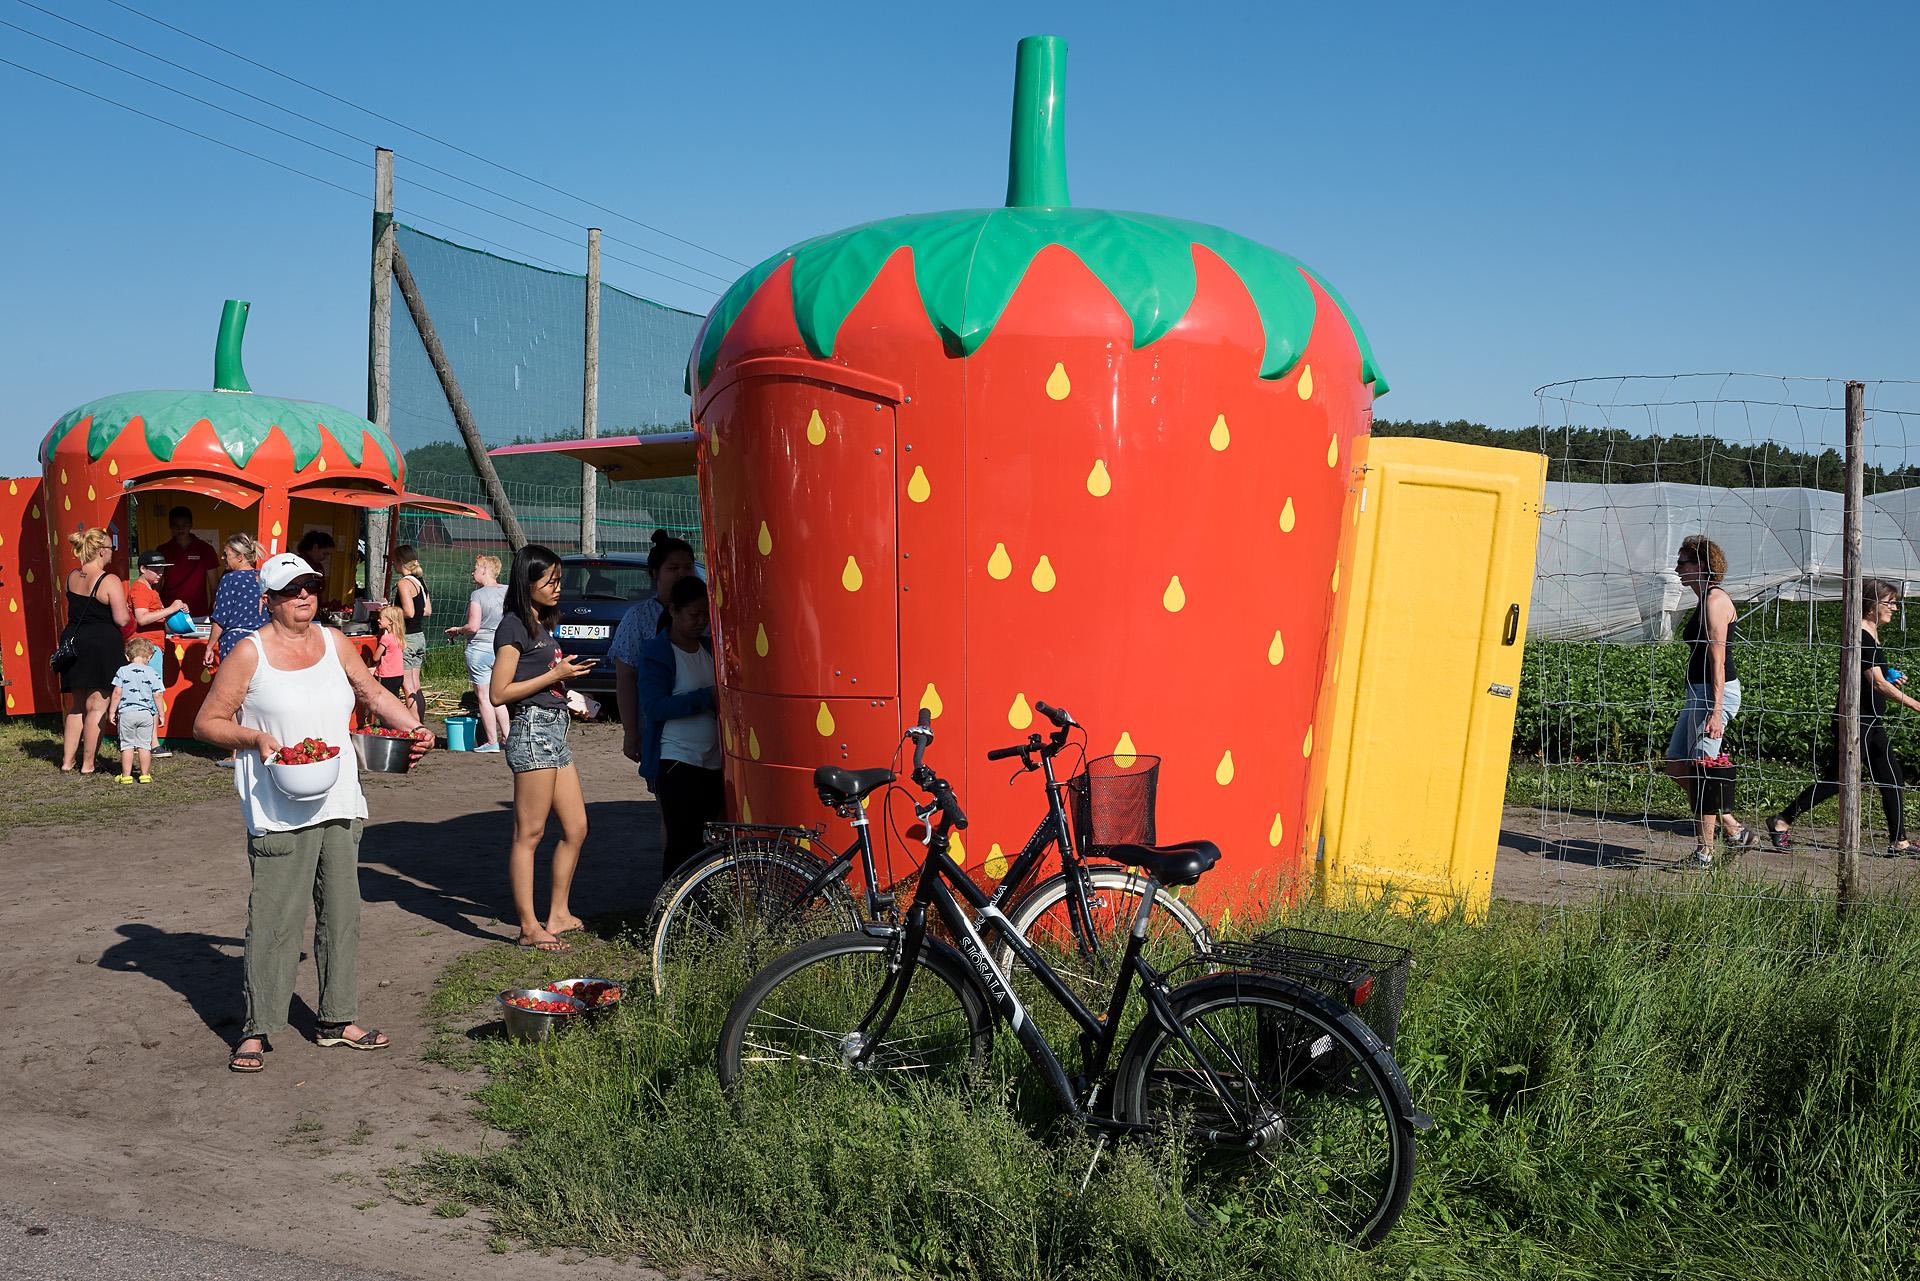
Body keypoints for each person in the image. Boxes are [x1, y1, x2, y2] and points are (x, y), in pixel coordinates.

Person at [193, 552, 432, 1073]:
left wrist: (413, 726)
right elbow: (207, 721)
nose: (304, 596)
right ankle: (257, 1028)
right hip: (278, 805)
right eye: (291, 589)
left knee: (342, 915)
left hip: (340, 796)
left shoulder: (334, 641)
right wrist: (253, 738)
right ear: (269, 600)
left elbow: (370, 691)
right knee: (275, 919)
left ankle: (335, 1019)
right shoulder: (248, 653)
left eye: (310, 587)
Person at [1768, 579, 1920, 856]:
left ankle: (1899, 841)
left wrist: (1890, 674)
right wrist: (1915, 704)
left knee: (1892, 777)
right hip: (1854, 720)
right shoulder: (1861, 635)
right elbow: (1875, 684)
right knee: (1837, 780)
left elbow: (1873, 675)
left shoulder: (1871, 631)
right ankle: (1781, 820)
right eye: (1890, 603)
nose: (1895, 608)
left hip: (1871, 719)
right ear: (1872, 605)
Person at [492, 544, 595, 953]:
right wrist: (556, 673)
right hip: (532, 732)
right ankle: (529, 926)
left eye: (558, 580)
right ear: (527, 581)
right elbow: (500, 692)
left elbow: (541, 681)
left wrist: (568, 692)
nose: (557, 588)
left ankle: (558, 914)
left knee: (576, 828)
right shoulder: (513, 625)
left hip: (554, 730)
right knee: (529, 834)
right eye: (549, 580)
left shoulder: (540, 623)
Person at [1660, 534, 1754, 866]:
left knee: (1702, 771)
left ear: (1701, 565)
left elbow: (1718, 660)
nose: (1677, 569)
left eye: (1682, 562)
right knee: (1675, 763)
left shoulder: (1715, 601)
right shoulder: (1703, 600)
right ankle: (1732, 826)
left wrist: (1715, 711)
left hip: (1715, 694)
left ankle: (1705, 852)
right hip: (1698, 694)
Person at [639, 576, 722, 881]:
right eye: (693, 615)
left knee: (708, 844)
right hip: (676, 761)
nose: (700, 622)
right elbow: (655, 707)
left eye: (705, 615)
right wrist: (707, 698)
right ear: (673, 611)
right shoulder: (657, 652)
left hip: (712, 761)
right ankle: (669, 912)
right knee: (681, 844)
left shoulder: (710, 649)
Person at [613, 530, 698, 767]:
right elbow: (626, 678)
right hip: (659, 730)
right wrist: (631, 732)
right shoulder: (638, 618)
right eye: (673, 568)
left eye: (688, 567)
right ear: (655, 574)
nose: (682, 574)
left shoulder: (711, 615)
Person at [60, 528, 132, 775]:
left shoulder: (71, 576)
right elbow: (122, 620)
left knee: (77, 706)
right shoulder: (109, 580)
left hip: (73, 640)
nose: (112, 553)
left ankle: (67, 761)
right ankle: (89, 764)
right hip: (101, 644)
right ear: (101, 551)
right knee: (98, 707)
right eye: (110, 549)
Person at [444, 553, 509, 753]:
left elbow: (473, 626)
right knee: (499, 695)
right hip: (502, 648)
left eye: (475, 568)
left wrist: (457, 630)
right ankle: (508, 736)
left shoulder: (478, 595)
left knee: (484, 696)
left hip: (480, 649)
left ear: (485, 570)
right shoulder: (508, 591)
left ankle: (491, 741)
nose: (472, 572)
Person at [205, 533, 269, 668]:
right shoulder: (263, 577)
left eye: (226, 554)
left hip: (236, 643)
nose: (222, 558)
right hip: (263, 642)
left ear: (240, 557)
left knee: (234, 686)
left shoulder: (230, 579)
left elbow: (221, 616)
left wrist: (210, 646)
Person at [108, 637, 165, 784]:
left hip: (126, 714)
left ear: (127, 656)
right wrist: (161, 715)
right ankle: (145, 775)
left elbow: (116, 693)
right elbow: (158, 695)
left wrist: (112, 711)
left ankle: (126, 776)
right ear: (150, 656)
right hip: (146, 714)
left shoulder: (122, 671)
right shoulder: (152, 672)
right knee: (144, 746)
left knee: (126, 745)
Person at [391, 544, 432, 721]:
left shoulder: (403, 583)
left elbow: (409, 612)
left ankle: (415, 728)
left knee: (407, 686)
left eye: (394, 562)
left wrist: (390, 611)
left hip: (406, 637)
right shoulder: (420, 582)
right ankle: (420, 723)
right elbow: (427, 610)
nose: (393, 565)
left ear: (400, 562)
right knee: (416, 686)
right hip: (419, 637)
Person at [158, 506, 218, 616]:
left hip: (198, 610)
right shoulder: (162, 550)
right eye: (176, 525)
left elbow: (213, 585)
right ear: (170, 526)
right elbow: (157, 583)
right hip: (169, 610)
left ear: (191, 525)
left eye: (184, 525)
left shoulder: (206, 549)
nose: (180, 529)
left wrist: (213, 607)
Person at [374, 606, 407, 699]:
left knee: (385, 700)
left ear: (390, 621)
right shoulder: (399, 637)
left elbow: (375, 657)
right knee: (394, 699)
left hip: (386, 675)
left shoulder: (386, 638)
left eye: (381, 618)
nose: (378, 620)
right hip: (399, 675)